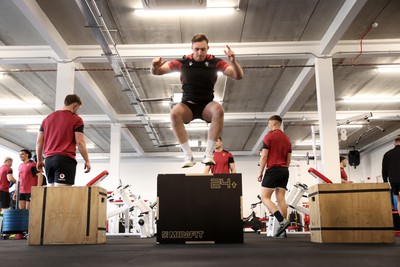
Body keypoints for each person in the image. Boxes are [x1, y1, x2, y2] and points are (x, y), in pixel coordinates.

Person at [151, 33, 244, 168]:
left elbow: (238, 76)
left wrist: (233, 62)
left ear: (207, 49)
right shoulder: (183, 62)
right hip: (188, 105)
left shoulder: (215, 62)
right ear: (192, 49)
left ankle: (208, 154)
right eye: (196, 49)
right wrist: (154, 65)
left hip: (207, 105)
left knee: (218, 110)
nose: (200, 52)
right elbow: (157, 72)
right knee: (174, 113)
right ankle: (188, 156)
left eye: (203, 49)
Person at [36, 94, 91, 186]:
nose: (76, 111)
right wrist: (87, 160)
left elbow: (39, 142)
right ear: (75, 106)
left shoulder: (47, 119)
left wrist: (39, 160)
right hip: (64, 160)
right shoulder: (76, 119)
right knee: (62, 195)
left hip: (48, 160)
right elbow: (80, 142)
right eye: (77, 108)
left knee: (51, 194)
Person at [257, 115, 292, 238]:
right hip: (284, 170)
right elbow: (288, 158)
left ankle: (282, 221)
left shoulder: (269, 136)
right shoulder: (287, 138)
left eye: (269, 124)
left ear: (275, 124)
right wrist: (285, 169)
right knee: (280, 199)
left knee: (265, 197)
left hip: (273, 170)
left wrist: (260, 172)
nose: (268, 126)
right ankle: (283, 231)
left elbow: (264, 156)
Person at [382, 137, 400, 207]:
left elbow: (384, 169)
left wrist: (385, 181)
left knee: (399, 201)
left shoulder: (387, 154)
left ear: (394, 144)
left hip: (393, 180)